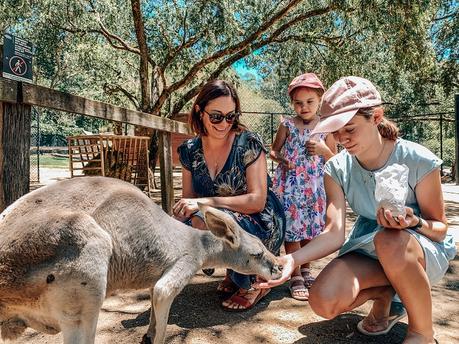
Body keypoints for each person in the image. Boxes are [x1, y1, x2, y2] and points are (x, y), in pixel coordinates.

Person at [257, 76, 456, 344]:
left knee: (389, 239)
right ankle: (386, 293)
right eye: (336, 131)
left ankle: (422, 333)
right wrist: (292, 260)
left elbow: (440, 229)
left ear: (376, 116)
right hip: (369, 247)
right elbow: (334, 232)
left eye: (350, 128)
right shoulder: (337, 167)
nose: (342, 139)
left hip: (418, 249)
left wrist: (414, 223)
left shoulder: (417, 159)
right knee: (323, 300)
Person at [173, 79, 286, 311]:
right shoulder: (189, 151)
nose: (224, 123)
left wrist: (205, 202)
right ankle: (235, 271)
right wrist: (191, 210)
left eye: (230, 116)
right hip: (220, 215)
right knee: (187, 218)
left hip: (261, 220)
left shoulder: (248, 143)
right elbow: (188, 200)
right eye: (216, 116)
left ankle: (255, 282)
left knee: (211, 218)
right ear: (199, 111)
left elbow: (257, 201)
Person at [270, 73, 336, 301]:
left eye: (309, 102)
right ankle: (294, 273)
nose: (304, 107)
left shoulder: (326, 127)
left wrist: (323, 150)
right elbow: (273, 150)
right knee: (292, 228)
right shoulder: (287, 125)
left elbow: (335, 158)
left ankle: (306, 267)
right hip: (290, 186)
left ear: (320, 100)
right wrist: (281, 159)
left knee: (310, 228)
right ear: (292, 104)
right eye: (298, 103)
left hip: (315, 186)